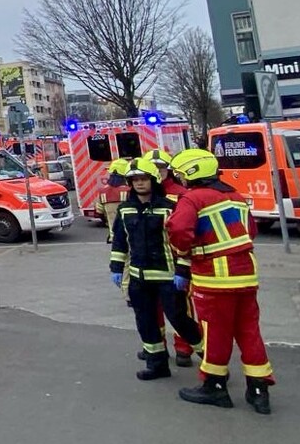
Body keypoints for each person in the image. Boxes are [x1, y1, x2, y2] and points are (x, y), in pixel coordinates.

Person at [167, 149, 275, 414]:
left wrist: (184, 251)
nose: (179, 179)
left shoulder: (192, 199)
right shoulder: (236, 197)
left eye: (180, 174)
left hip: (214, 278)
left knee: (216, 333)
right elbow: (251, 230)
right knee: (250, 331)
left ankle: (215, 387)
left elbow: (179, 230)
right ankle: (259, 390)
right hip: (246, 275)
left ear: (190, 173)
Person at [109, 158, 203, 381]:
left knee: (179, 319)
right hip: (138, 278)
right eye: (134, 180)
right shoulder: (125, 210)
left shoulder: (169, 208)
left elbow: (182, 243)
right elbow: (120, 242)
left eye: (143, 179)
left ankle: (209, 357)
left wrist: (182, 270)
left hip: (168, 278)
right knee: (146, 322)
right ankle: (157, 364)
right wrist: (116, 267)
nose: (139, 184)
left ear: (152, 181)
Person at [141, 149, 197, 368]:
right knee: (151, 309)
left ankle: (184, 349)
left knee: (179, 309)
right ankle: (156, 347)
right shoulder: (141, 194)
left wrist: (184, 264)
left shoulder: (181, 193)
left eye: (162, 168)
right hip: (148, 260)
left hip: (175, 259)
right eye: (154, 169)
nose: (159, 172)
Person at [94, 159, 130, 243]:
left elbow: (99, 213)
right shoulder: (130, 190)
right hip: (131, 236)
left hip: (114, 238)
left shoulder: (103, 192)